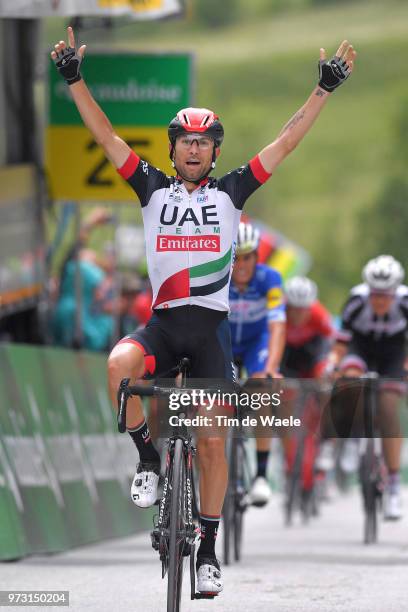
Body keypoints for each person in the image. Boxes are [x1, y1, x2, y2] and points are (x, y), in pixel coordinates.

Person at [51, 27, 356, 594]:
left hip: (210, 332)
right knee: (119, 364)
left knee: (213, 439)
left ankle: (209, 550)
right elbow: (105, 135)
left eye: (204, 142)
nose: (194, 149)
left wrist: (323, 90)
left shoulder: (231, 194)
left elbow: (286, 143)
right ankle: (147, 461)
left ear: (215, 150)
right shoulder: (150, 190)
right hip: (164, 327)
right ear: (172, 149)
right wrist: (74, 80)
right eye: (185, 141)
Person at [327, 255, 407, 520]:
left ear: (395, 291)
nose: (380, 300)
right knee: (350, 379)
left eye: (386, 295)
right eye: (375, 294)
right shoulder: (356, 301)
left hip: (393, 354)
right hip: (360, 348)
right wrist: (333, 363)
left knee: (388, 407)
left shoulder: (405, 303)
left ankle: (394, 487)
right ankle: (352, 439)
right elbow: (341, 343)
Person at [229, 221, 286, 506]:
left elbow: (277, 324)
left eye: (247, 256)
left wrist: (272, 366)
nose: (241, 264)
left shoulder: (270, 279)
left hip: (256, 344)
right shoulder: (217, 278)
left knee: (263, 387)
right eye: (235, 256)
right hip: (224, 342)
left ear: (257, 257)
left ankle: (261, 475)